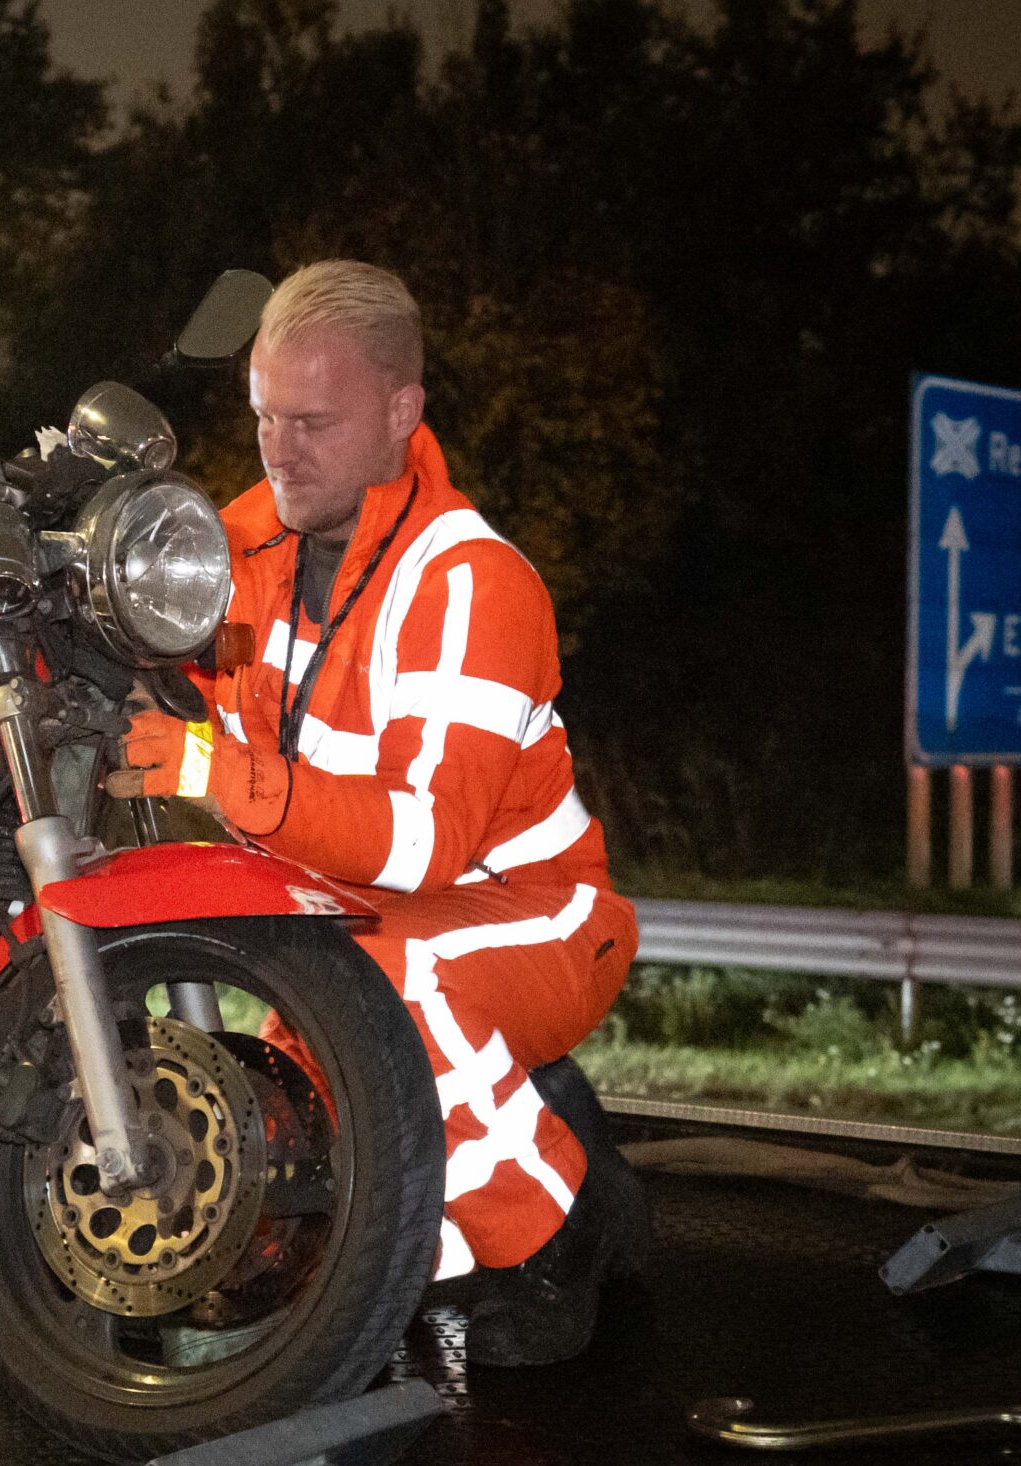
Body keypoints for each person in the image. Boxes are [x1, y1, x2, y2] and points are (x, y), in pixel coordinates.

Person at [112, 259, 647, 1366]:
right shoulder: (237, 543)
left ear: (402, 413)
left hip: (525, 912)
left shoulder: (469, 582)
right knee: (322, 1175)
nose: (278, 449)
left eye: (312, 421)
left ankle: (563, 1233)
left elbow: (423, 843)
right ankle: (542, 1130)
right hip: (342, 910)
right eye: (264, 418)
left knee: (388, 981)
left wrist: (210, 769)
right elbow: (180, 679)